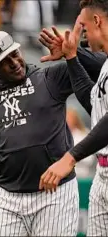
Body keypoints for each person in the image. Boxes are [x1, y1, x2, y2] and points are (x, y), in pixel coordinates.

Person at [0, 27, 105, 235]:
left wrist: (73, 53)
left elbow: (103, 65)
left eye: (15, 54)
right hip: (7, 196)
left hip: (55, 193)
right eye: (4, 61)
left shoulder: (49, 77)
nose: (14, 63)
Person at [39, 0, 108, 236]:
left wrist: (70, 157)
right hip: (102, 174)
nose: (83, 35)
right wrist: (71, 57)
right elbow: (95, 106)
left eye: (83, 27)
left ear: (97, 21)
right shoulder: (106, 65)